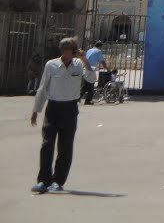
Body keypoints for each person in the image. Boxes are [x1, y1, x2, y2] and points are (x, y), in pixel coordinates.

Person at [30, 37, 96, 193]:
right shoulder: (51, 65)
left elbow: (91, 78)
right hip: (53, 108)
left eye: (74, 48)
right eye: (70, 49)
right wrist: (35, 111)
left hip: (70, 108)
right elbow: (43, 88)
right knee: (47, 144)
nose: (72, 52)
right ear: (63, 50)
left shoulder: (79, 65)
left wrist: (84, 59)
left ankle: (58, 181)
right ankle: (43, 181)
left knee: (65, 146)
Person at [80, 41, 110, 105]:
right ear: (100, 46)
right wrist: (107, 69)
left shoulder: (89, 50)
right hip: (91, 69)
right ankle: (88, 101)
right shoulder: (98, 51)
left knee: (86, 85)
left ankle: (77, 98)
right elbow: (102, 62)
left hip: (85, 68)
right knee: (91, 86)